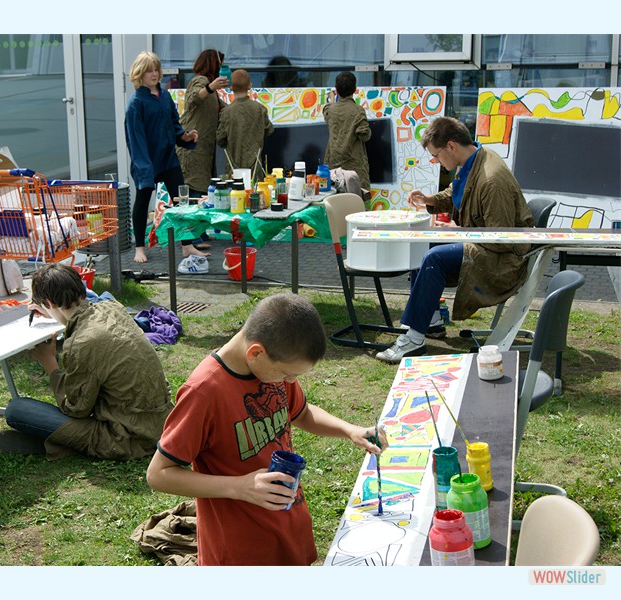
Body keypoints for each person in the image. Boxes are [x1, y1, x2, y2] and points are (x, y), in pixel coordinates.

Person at [146, 293, 388, 565]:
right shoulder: (204, 392)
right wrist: (241, 486)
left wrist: (349, 430)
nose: (291, 381)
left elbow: (302, 413)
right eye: (287, 374)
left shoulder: (268, 368)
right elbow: (159, 474)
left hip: (287, 527)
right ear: (256, 352)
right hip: (238, 551)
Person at [375, 116, 534, 363]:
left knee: (433, 257)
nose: (435, 161)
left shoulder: (492, 179)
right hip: (487, 246)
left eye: (436, 155)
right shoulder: (471, 160)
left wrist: (459, 230)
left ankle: (414, 339)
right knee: (423, 244)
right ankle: (431, 320)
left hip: (503, 260)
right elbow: (456, 192)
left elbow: (500, 237)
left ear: (451, 146)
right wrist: (430, 200)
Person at [0, 263, 174, 459]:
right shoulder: (112, 307)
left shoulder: (82, 342)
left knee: (16, 410)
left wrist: (49, 363)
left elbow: (76, 408)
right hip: (162, 425)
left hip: (126, 438)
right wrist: (52, 311)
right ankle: (58, 440)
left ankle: (58, 443)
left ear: (50, 302)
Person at [124, 51, 199, 264]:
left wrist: (185, 136)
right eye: (149, 70)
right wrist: (144, 169)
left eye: (156, 69)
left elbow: (174, 125)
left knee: (181, 201)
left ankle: (187, 246)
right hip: (145, 161)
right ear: (139, 73)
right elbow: (135, 140)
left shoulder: (165, 96)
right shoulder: (136, 103)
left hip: (168, 158)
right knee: (142, 201)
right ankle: (139, 247)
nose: (154, 73)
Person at [175, 49, 228, 197]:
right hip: (193, 151)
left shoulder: (213, 94)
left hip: (202, 152)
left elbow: (226, 110)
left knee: (201, 192)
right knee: (194, 194)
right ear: (213, 65)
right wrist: (211, 87)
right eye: (221, 65)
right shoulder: (201, 80)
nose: (222, 70)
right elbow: (194, 98)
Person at [216, 69, 273, 175]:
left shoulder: (226, 112)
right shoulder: (260, 109)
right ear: (250, 86)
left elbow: (220, 139)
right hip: (256, 170)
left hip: (233, 172)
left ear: (231, 88)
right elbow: (269, 130)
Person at [323, 71, 372, 194]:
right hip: (354, 167)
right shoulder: (358, 111)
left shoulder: (330, 110)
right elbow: (364, 135)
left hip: (333, 166)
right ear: (355, 89)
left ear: (337, 90)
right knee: (358, 204)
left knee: (335, 203)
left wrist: (332, 100)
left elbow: (327, 110)